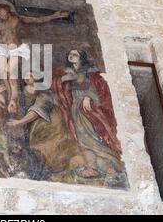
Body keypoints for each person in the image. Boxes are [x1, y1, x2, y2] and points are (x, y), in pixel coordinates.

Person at [51, 49, 124, 179]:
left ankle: (113, 166)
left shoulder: (89, 71)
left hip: (86, 108)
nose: (71, 56)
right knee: (82, 139)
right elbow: (58, 86)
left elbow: (98, 88)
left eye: (75, 54)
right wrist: (62, 79)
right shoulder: (67, 72)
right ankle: (92, 168)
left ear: (81, 58)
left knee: (91, 137)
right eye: (70, 54)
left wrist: (88, 97)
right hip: (75, 107)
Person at [4, 73, 80, 180]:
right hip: (30, 126)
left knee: (43, 151)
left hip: (49, 128)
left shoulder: (45, 94)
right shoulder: (22, 92)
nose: (27, 76)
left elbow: (36, 111)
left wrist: (19, 122)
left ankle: (40, 171)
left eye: (31, 74)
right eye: (26, 73)